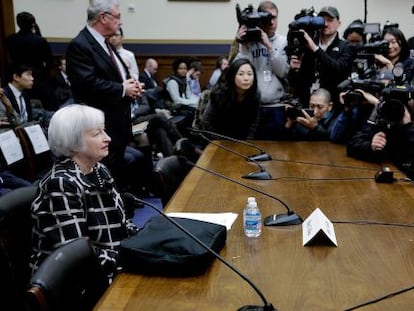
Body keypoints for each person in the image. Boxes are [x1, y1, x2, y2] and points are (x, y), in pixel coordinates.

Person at [30, 104, 137, 282]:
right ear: (73, 141)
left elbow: (123, 225)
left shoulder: (99, 170)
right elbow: (78, 256)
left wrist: (144, 244)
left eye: (104, 131)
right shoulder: (61, 184)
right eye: (97, 134)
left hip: (111, 266)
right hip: (76, 285)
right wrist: (131, 260)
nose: (108, 138)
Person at [66, 0, 144, 188]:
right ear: (103, 17)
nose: (121, 22)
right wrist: (123, 89)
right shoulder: (81, 44)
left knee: (116, 173)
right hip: (100, 124)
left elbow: (116, 77)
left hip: (117, 122)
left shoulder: (104, 43)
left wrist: (132, 85)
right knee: (105, 176)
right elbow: (87, 83)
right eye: (117, 16)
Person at [234, 1, 289, 139]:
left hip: (276, 106)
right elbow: (239, 71)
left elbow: (282, 71)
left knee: (277, 151)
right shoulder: (247, 41)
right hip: (252, 106)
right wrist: (243, 46)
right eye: (267, 18)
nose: (271, 22)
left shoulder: (283, 41)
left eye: (274, 17)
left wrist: (269, 46)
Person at [287, 6, 354, 110]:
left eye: (330, 20)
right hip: (308, 103)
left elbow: (338, 69)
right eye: (322, 20)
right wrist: (294, 69)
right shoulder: (307, 46)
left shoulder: (346, 46)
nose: (325, 24)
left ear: (339, 23)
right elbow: (295, 82)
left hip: (333, 105)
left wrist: (315, 48)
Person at [197, 58, 261, 140]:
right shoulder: (219, 93)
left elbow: (254, 123)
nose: (246, 78)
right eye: (241, 74)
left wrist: (248, 140)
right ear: (232, 75)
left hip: (243, 139)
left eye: (249, 74)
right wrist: (221, 141)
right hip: (219, 138)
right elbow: (206, 122)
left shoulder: (255, 93)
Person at [6, 11, 54, 110]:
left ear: (18, 23)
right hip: (39, 79)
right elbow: (50, 61)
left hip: (18, 78)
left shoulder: (10, 40)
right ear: (33, 24)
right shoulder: (40, 41)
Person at [347, 98, 414, 168]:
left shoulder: (409, 126)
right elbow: (352, 144)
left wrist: (408, 126)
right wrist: (370, 146)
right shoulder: (381, 122)